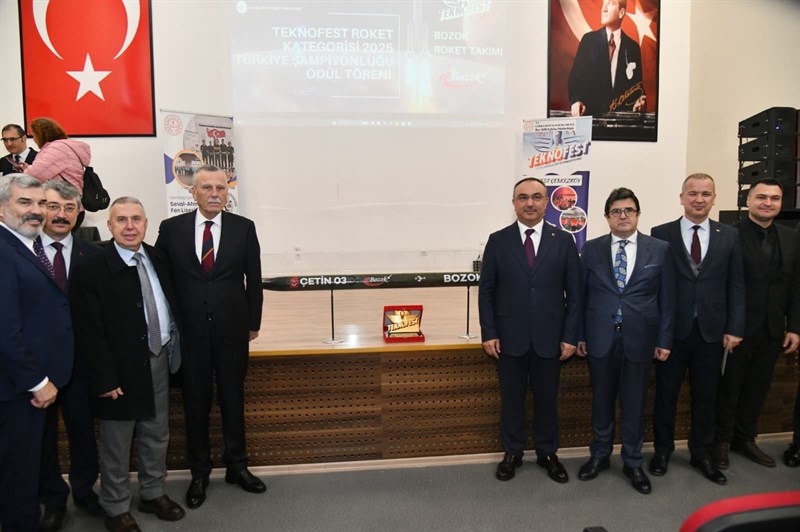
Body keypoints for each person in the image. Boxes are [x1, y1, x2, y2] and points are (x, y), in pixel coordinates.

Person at [69, 197, 185, 532]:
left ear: (146, 224)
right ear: (110, 226)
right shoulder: (92, 269)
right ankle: (116, 506)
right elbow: (88, 331)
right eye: (121, 220)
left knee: (156, 432)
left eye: (136, 219)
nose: (130, 226)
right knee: (117, 442)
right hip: (118, 369)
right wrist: (104, 378)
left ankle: (152, 492)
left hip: (158, 358)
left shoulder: (159, 258)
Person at [156, 164, 265, 508]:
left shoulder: (244, 228)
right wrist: (170, 324)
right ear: (194, 192)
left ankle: (237, 466)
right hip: (190, 333)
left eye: (221, 187)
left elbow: (254, 279)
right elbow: (162, 279)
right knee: (196, 403)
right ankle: (199, 473)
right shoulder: (171, 229)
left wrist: (253, 323)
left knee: (233, 398)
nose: (215, 193)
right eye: (207, 188)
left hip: (232, 330)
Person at [478, 177, 581, 484]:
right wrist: (489, 332)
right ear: (514, 203)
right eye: (523, 197)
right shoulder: (498, 240)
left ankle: (548, 453)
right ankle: (512, 453)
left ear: (547, 202)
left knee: (547, 400)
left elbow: (575, 294)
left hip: (551, 339)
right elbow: (487, 291)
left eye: (537, 197)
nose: (530, 203)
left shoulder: (564, 241)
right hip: (509, 339)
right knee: (512, 400)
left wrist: (569, 336)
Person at [649, 173, 745, 485]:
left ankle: (701, 453)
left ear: (714, 198)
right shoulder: (661, 233)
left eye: (705, 193)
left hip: (712, 332)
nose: (699, 199)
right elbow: (656, 287)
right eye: (692, 193)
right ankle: (662, 451)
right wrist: (657, 331)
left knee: (707, 398)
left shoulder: (729, 235)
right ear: (682, 198)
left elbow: (736, 284)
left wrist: (734, 327)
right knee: (665, 396)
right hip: (672, 332)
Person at [576, 187, 674, 495]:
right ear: (607, 217)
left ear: (638, 214)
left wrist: (664, 339)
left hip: (641, 339)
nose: (623, 216)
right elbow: (580, 297)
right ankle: (600, 455)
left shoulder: (659, 249)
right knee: (601, 401)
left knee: (634, 403)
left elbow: (668, 299)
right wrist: (580, 335)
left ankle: (633, 461)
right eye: (616, 211)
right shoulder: (591, 249)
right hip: (600, 338)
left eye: (628, 210)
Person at [0, 174, 73, 531]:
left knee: (27, 470)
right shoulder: (3, 251)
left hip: (31, 385)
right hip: (18, 390)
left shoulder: (26, 245)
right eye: (24, 202)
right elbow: (4, 330)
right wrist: (37, 381)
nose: (36, 211)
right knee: (18, 481)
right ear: (1, 209)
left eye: (40, 203)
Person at [713, 178, 800, 469]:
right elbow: (720, 285)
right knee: (729, 388)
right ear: (748, 200)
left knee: (758, 387)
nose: (767, 203)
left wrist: (794, 327)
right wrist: (728, 326)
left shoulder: (791, 237)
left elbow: (795, 285)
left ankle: (745, 438)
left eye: (774, 198)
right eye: (761, 197)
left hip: (773, 329)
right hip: (737, 330)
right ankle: (721, 441)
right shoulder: (729, 235)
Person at [36, 180, 102, 531]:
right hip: (38, 367)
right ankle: (52, 499)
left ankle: (85, 492)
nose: (61, 215)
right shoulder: (23, 251)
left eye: (69, 208)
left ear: (80, 212)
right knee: (43, 439)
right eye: (53, 207)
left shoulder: (95, 254)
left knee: (83, 435)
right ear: (41, 209)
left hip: (82, 365)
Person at [568, 0, 646, 117]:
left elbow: (637, 88)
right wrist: (576, 100)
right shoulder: (588, 41)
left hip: (621, 121)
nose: (604, 9)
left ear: (621, 12)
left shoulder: (633, 48)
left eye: (610, 3)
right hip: (591, 117)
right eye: (604, 3)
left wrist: (639, 102)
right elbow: (576, 79)